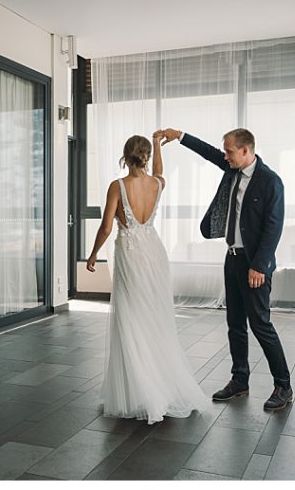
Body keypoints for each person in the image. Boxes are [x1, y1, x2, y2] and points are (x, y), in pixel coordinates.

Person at [155, 127, 293, 411]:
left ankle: (283, 385)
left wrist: (259, 266)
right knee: (234, 325)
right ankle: (239, 380)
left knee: (261, 325)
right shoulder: (232, 169)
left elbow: (273, 228)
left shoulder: (270, 182)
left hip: (255, 264)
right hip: (232, 258)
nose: (225, 156)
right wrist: (180, 136)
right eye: (226, 152)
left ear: (246, 150)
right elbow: (209, 152)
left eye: (230, 151)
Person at [86, 134, 211, 424]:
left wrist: (93, 254)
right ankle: (159, 382)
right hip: (154, 251)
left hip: (130, 251)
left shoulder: (117, 186)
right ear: (144, 156)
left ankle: (140, 387)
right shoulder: (157, 184)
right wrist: (158, 145)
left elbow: (106, 226)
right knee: (154, 316)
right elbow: (160, 172)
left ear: (125, 156)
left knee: (131, 317)